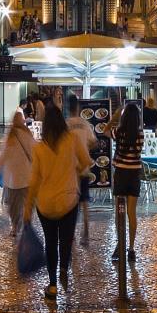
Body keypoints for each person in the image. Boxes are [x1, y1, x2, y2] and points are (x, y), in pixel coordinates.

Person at [23, 104, 88, 301]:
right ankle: (64, 268)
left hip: (46, 204)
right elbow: (86, 161)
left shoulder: (40, 148)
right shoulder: (72, 140)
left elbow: (34, 181)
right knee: (66, 240)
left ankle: (52, 285)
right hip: (68, 200)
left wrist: (27, 209)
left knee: (51, 243)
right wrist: (73, 169)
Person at [109, 101, 144, 266]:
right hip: (134, 174)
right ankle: (131, 248)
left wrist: (115, 116)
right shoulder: (140, 134)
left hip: (121, 173)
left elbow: (104, 130)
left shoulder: (119, 132)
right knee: (131, 212)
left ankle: (120, 243)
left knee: (119, 212)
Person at [0, 106, 35, 235]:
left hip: (12, 179)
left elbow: (2, 156)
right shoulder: (28, 134)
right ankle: (27, 225)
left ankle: (14, 227)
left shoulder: (10, 136)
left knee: (13, 205)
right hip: (26, 176)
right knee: (27, 203)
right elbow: (35, 153)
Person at [65, 96, 98, 248]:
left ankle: (70, 235)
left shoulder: (65, 125)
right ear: (77, 108)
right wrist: (85, 148)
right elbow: (94, 142)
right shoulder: (85, 124)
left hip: (70, 168)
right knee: (84, 201)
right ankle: (85, 232)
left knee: (70, 203)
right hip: (84, 167)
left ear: (67, 108)